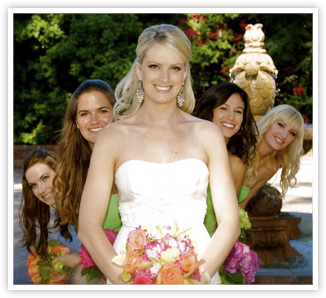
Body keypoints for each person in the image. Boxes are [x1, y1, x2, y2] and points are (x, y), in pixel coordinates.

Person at [78, 24, 240, 285]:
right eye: (155, 66)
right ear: (140, 69)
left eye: (175, 68)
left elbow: (230, 222)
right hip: (128, 275)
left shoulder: (209, 134)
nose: (165, 78)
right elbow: (88, 226)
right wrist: (128, 282)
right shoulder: (111, 137)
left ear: (185, 73)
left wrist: (200, 277)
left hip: (198, 271)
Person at [54, 79, 122, 249]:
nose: (94, 121)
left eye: (103, 111)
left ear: (116, 113)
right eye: (84, 114)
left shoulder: (134, 162)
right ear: (76, 122)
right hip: (99, 263)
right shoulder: (71, 171)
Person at [194, 82, 257, 236]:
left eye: (238, 111)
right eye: (223, 108)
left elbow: (225, 225)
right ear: (209, 110)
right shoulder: (187, 151)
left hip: (207, 249)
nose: (231, 117)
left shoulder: (235, 166)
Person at [19, 149, 80, 283]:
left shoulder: (83, 202)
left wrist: (76, 258)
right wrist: (66, 271)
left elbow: (114, 247)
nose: (40, 190)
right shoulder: (64, 216)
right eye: (33, 185)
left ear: (59, 171)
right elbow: (82, 267)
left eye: (45, 178)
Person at [239, 104, 304, 210]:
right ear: (269, 121)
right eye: (281, 125)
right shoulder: (241, 145)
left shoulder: (271, 166)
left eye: (292, 133)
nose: (284, 135)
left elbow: (241, 205)